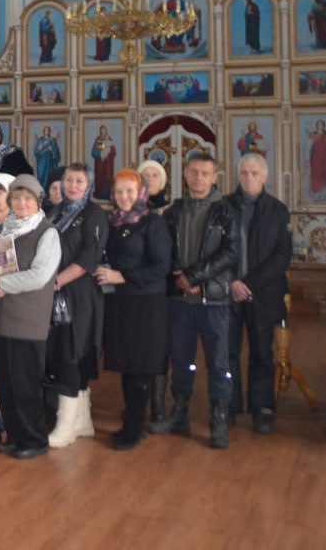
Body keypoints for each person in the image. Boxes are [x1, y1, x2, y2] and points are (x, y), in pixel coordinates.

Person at [151, 153, 241, 449]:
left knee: (218, 362)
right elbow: (164, 248)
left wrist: (195, 276)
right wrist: (180, 276)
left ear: (215, 177)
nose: (199, 178)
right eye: (194, 172)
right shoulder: (173, 211)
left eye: (205, 173)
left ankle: (218, 418)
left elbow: (231, 252)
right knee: (182, 360)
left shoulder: (227, 212)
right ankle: (179, 413)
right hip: (179, 299)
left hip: (213, 299)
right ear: (185, 174)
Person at [0, 174, 61, 459]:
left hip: (26, 321)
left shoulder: (47, 233)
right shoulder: (4, 229)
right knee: (5, 383)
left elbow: (39, 276)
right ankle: (14, 435)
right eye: (17, 198)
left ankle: (34, 440)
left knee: (26, 385)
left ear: (38, 202)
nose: (21, 203)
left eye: (27, 198)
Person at [95, 169, 173, 449]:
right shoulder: (113, 222)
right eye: (119, 191)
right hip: (119, 301)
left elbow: (161, 267)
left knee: (141, 366)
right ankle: (132, 420)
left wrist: (122, 276)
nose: (124, 196)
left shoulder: (153, 222)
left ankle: (136, 426)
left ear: (141, 192)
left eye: (130, 191)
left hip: (145, 303)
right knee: (127, 366)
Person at [223, 153, 293, 433]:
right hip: (228, 291)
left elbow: (282, 255)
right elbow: (214, 249)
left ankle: (262, 407)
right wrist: (232, 282)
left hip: (263, 293)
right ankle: (228, 404)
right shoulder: (224, 207)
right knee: (228, 351)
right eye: (244, 173)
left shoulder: (277, 210)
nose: (249, 178)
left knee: (262, 351)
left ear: (265, 176)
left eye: (254, 173)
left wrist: (249, 283)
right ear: (237, 176)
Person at [45, 164, 109, 449]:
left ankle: (66, 425)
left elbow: (89, 257)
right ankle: (82, 421)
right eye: (68, 180)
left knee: (73, 352)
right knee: (62, 351)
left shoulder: (94, 214)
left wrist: (56, 281)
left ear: (89, 185)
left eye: (79, 181)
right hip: (55, 293)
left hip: (79, 294)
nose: (72, 185)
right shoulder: (55, 212)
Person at [307, 118, 326, 200]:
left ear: (324, 126)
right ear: (316, 126)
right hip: (316, 161)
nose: (320, 126)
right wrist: (308, 159)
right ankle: (317, 196)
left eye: (321, 124)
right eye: (319, 124)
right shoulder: (314, 135)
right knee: (317, 177)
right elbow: (308, 148)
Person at [91, 125, 117, 200]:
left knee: (107, 177)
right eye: (101, 129)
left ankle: (107, 195)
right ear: (100, 130)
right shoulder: (97, 139)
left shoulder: (109, 138)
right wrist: (104, 147)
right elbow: (94, 151)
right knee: (100, 177)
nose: (103, 131)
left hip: (108, 164)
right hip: (99, 163)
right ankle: (99, 193)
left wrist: (106, 147)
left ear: (106, 130)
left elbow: (114, 150)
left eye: (104, 129)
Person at [33, 126, 62, 192]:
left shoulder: (52, 140)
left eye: (48, 130)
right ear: (43, 131)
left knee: (50, 175)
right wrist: (42, 146)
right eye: (45, 130)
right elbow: (36, 152)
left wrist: (52, 150)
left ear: (50, 131)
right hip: (42, 162)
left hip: (50, 162)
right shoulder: (40, 140)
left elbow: (57, 152)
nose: (47, 132)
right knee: (41, 176)